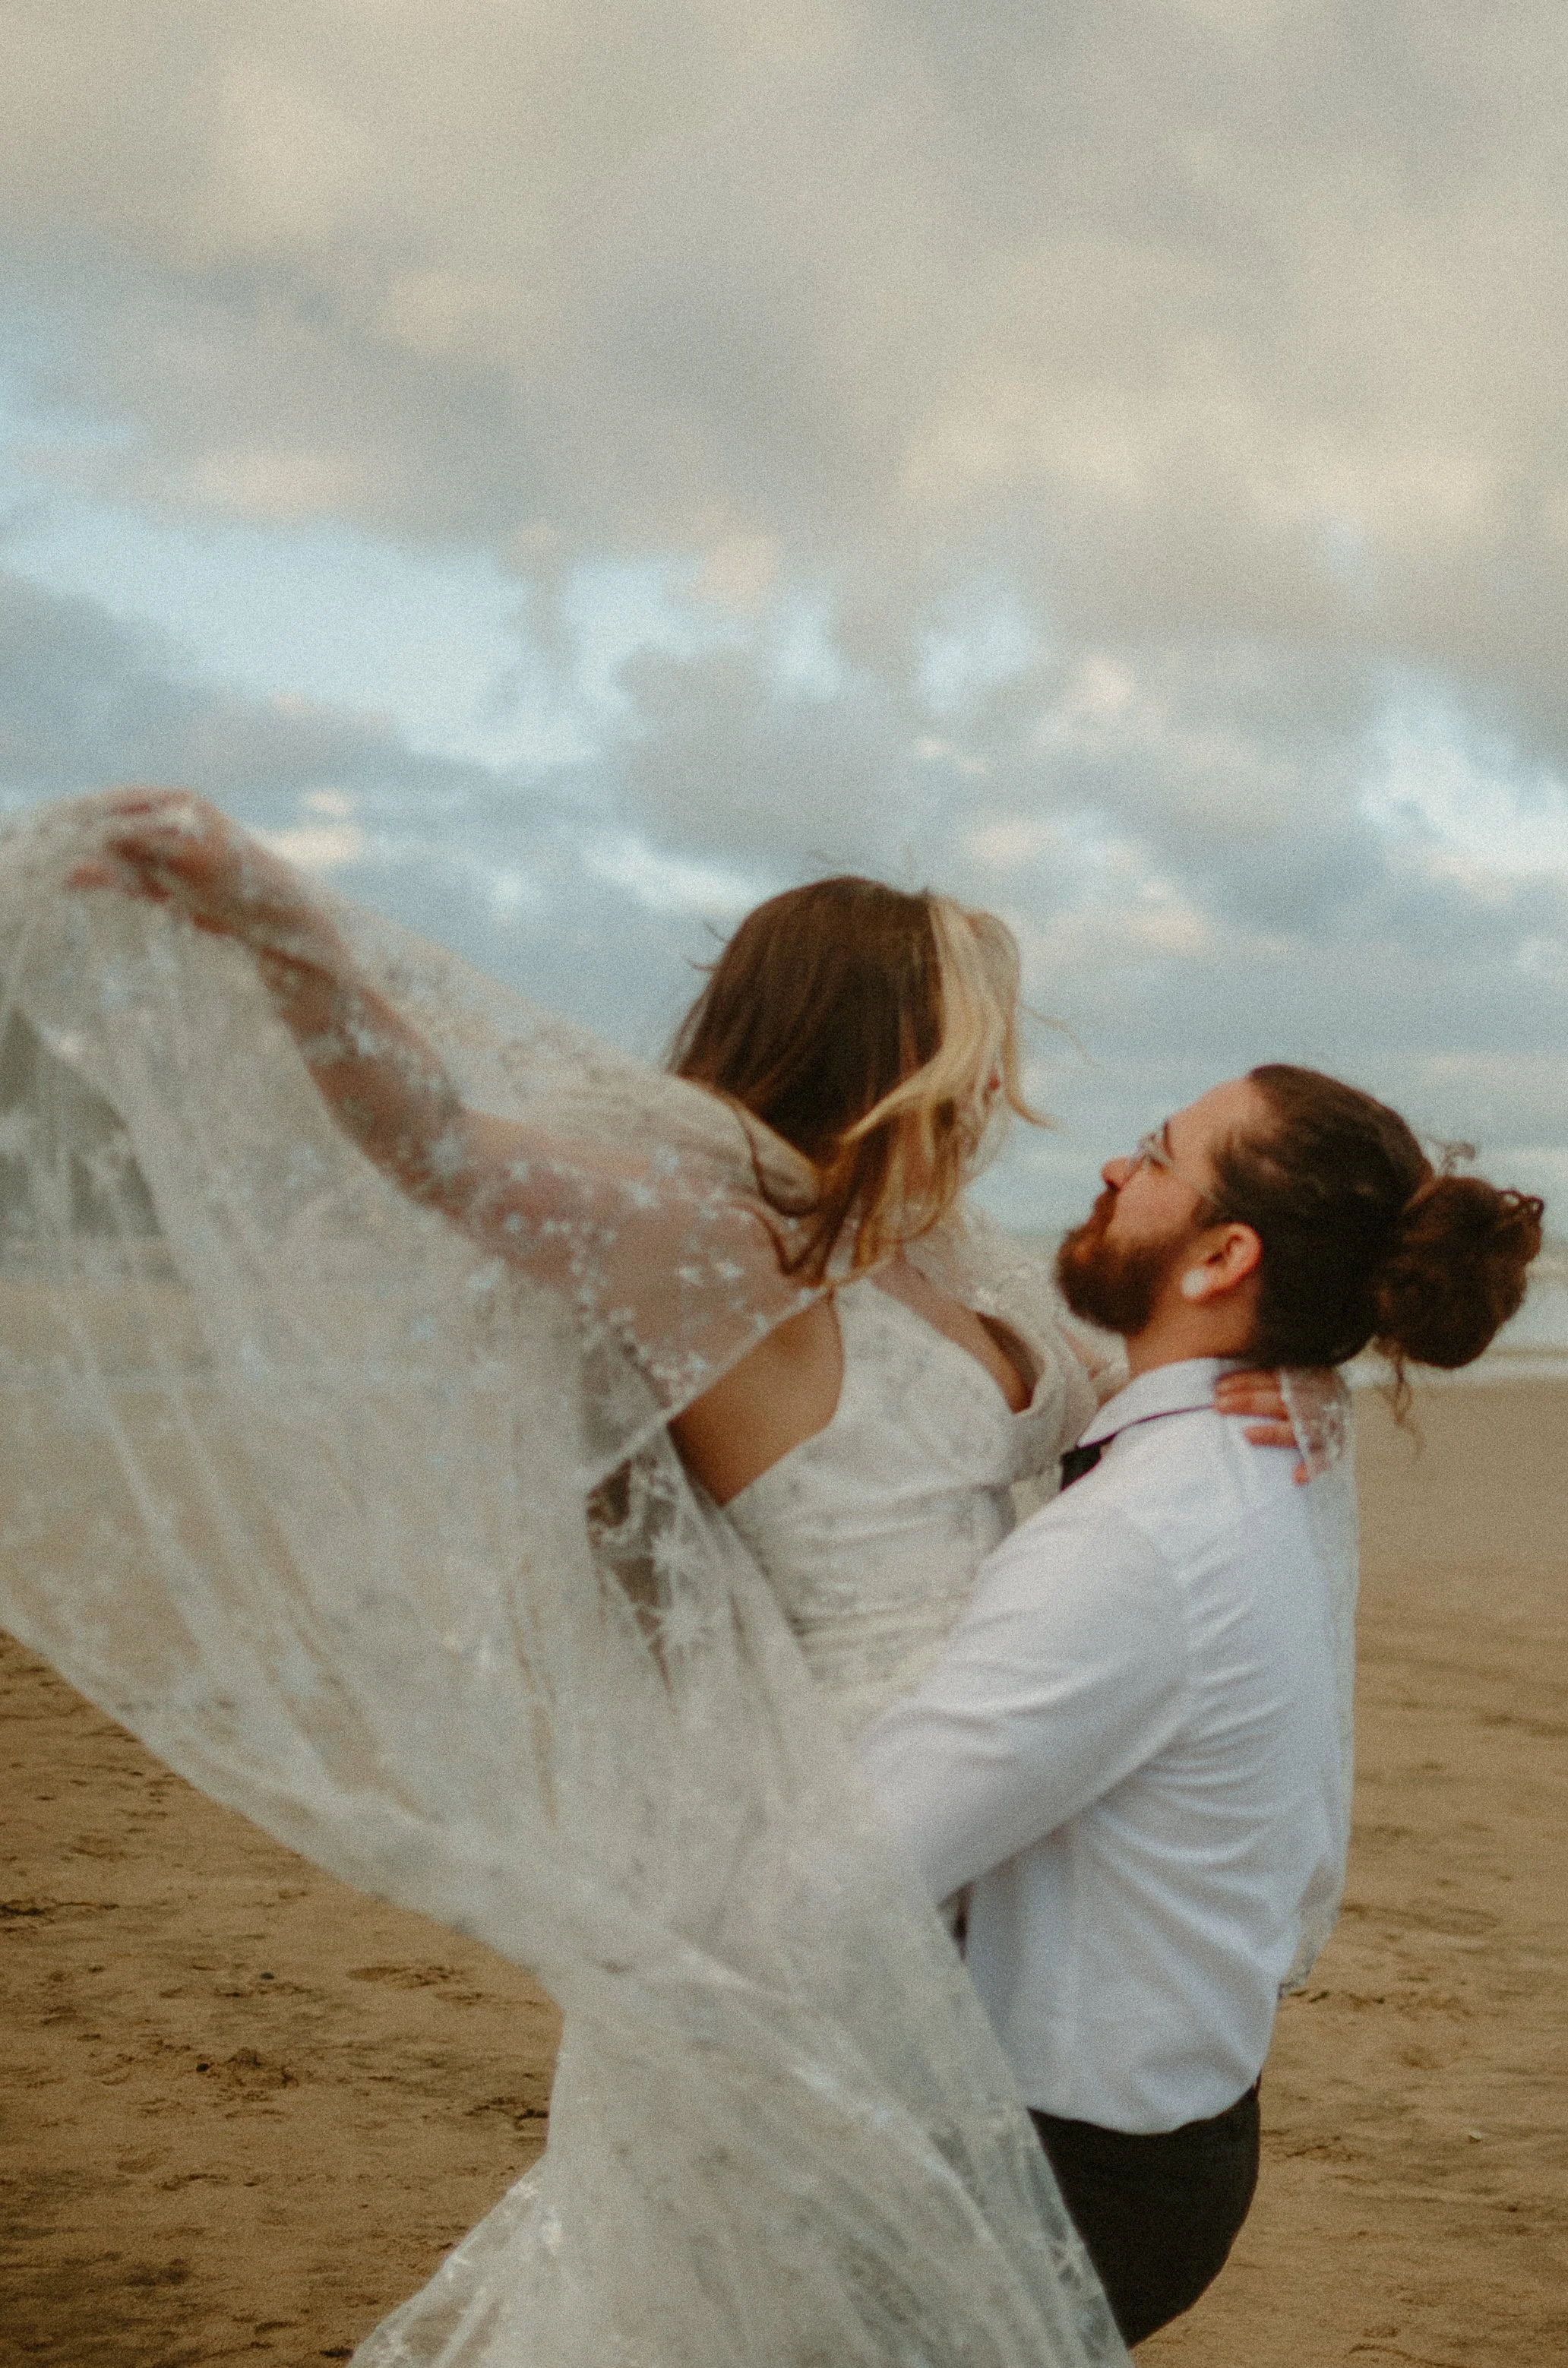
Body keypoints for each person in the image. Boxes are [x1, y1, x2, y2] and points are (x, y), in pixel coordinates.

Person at [0, 788, 1329, 2367]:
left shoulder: (930, 1244)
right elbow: (429, 1143)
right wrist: (268, 910)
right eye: (978, 1042)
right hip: (836, 1867)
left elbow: (1080, 1446)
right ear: (878, 1041)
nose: (1000, 1083)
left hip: (995, 1866)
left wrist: (1271, 1382)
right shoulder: (719, 1256)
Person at [860, 1065, 1543, 2347]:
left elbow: (862, 1860)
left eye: (1154, 1153)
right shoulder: (1270, 1435)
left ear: (1225, 1253)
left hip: (1057, 2178)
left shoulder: (1145, 1535)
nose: (1116, 1171)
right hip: (1182, 2125)